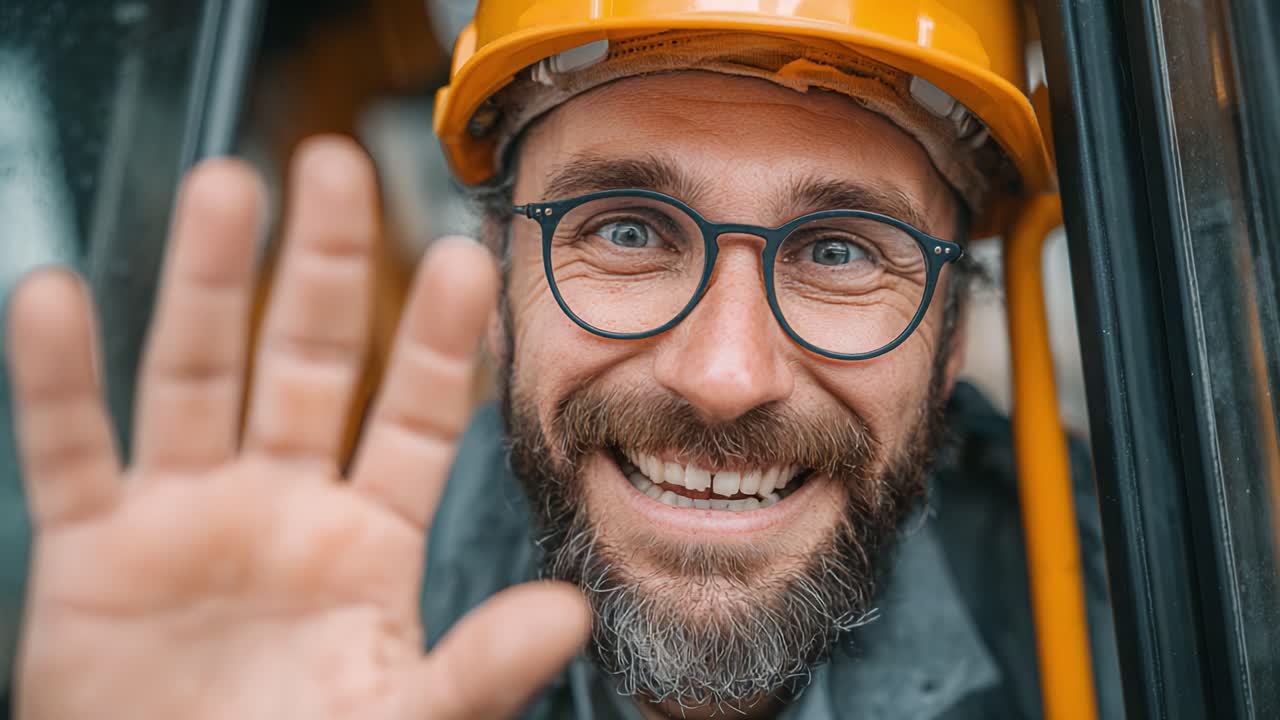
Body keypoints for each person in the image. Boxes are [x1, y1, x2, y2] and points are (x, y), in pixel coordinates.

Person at [3, 2, 1120, 718]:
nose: (723, 374)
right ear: (499, 278)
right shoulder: (293, 631)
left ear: (950, 337)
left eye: (837, 252)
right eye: (627, 231)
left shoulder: (1149, 617)